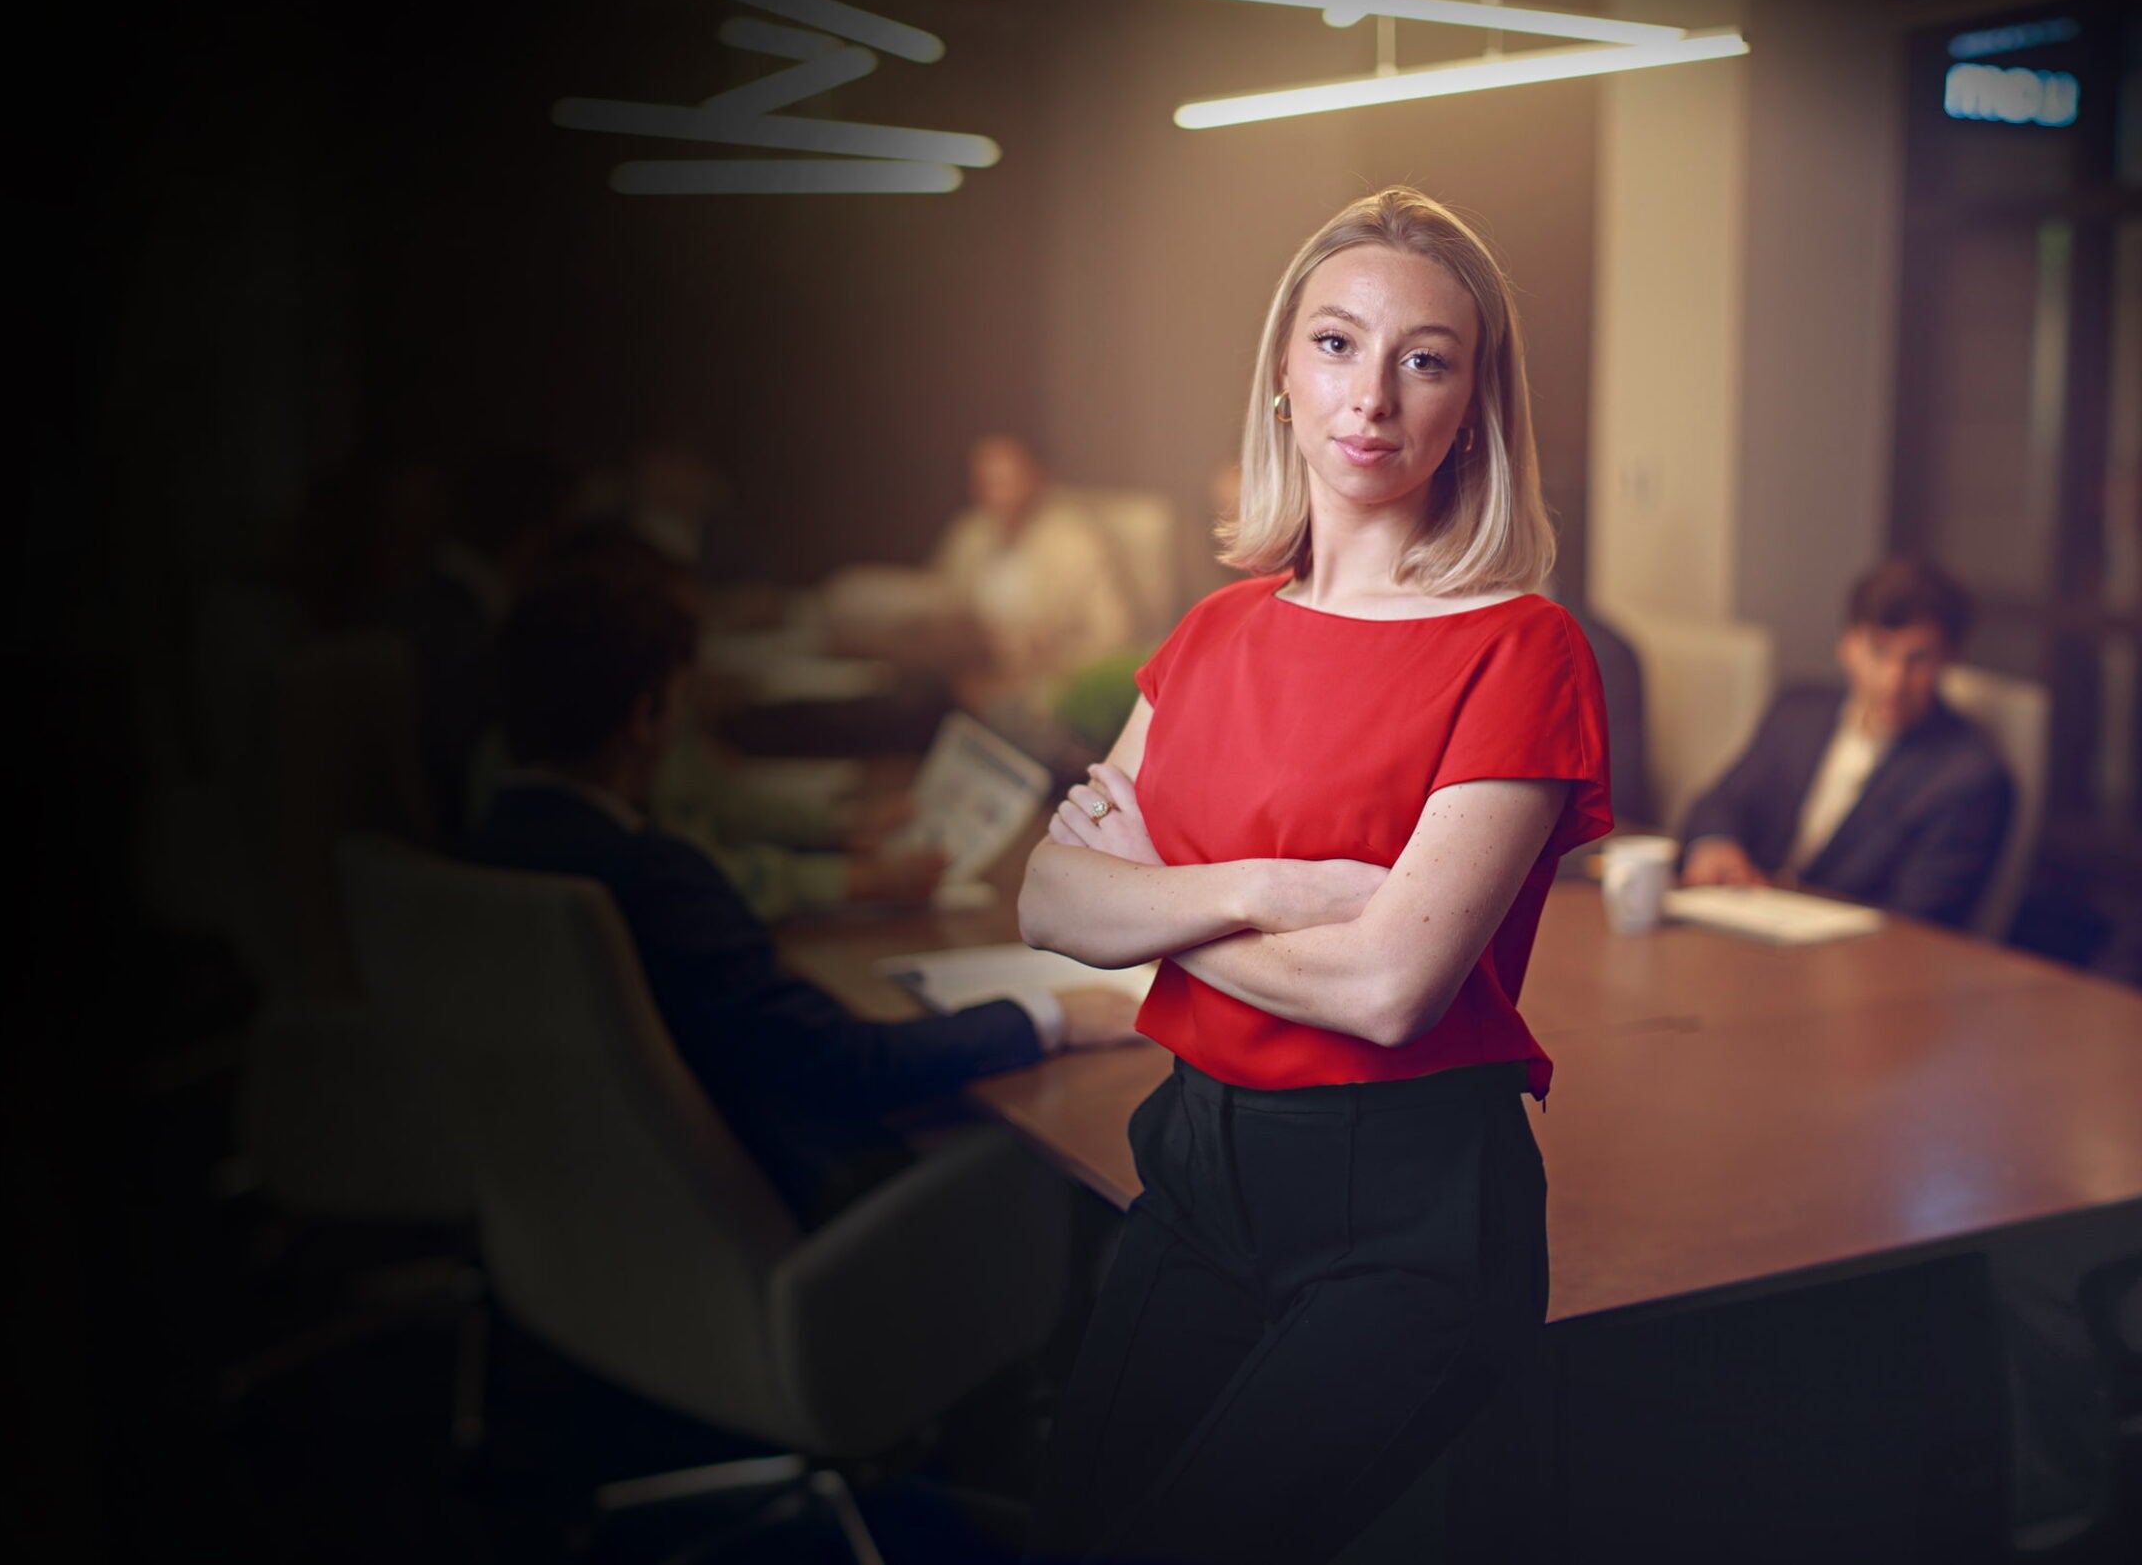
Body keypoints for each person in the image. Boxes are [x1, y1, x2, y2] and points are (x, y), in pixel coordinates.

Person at [1016, 187, 1612, 1564]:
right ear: (1282, 377)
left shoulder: (1523, 648)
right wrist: (1275, 889)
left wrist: (1155, 895)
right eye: (1338, 345)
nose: (1376, 397)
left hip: (1404, 1213)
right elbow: (1049, 900)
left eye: (1427, 358)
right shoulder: (1216, 629)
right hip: (1198, 1169)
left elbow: (1395, 985)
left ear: (1475, 403)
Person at [460, 567, 1142, 1228]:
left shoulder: (489, 844)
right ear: (648, 715)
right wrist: (1047, 1017)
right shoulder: (653, 880)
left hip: (589, 1222)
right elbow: (843, 1066)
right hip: (779, 1218)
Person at [1677, 557, 2012, 929]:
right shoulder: (1798, 711)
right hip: (1740, 926)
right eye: (1879, 651)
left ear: (1949, 659)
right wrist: (1715, 843)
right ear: (1849, 646)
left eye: (1918, 659)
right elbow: (1721, 801)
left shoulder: (1968, 776)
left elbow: (1920, 922)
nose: (1894, 680)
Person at [930, 434, 1139, 715]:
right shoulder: (969, 535)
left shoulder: (1076, 543)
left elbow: (1114, 637)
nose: (996, 493)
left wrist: (1047, 667)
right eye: (986, 482)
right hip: (968, 684)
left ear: (1035, 477)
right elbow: (942, 609)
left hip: (1046, 689)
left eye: (1006, 480)